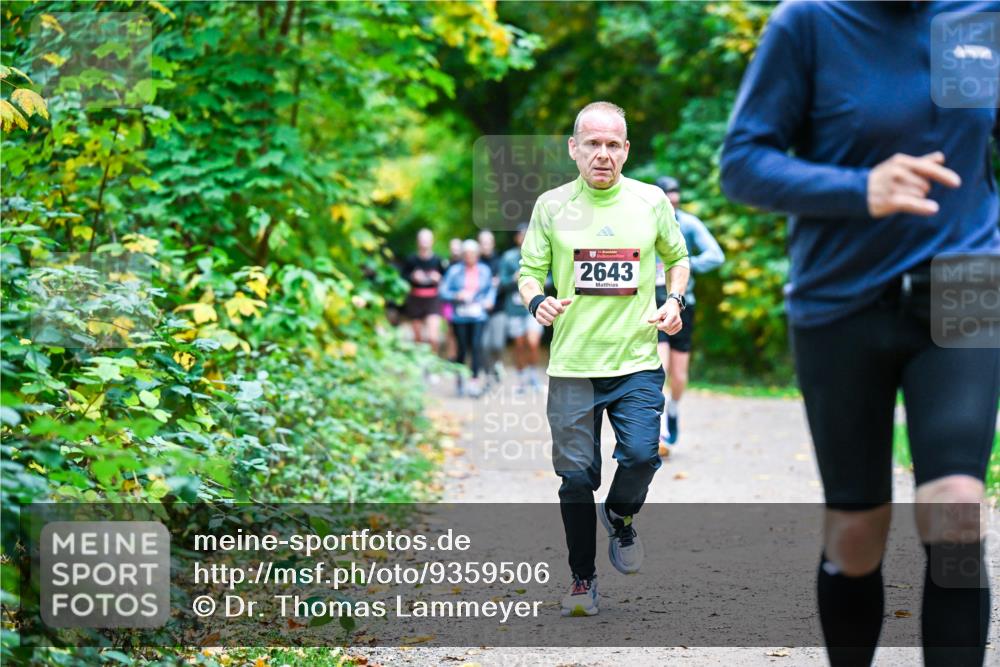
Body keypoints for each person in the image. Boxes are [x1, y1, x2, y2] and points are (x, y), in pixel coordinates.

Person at [720, 2, 1000, 666]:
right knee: (856, 534)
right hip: (840, 296)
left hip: (963, 284)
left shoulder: (977, 19)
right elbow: (743, 162)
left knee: (956, 508)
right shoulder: (809, 23)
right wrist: (859, 187)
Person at [517, 101, 689, 617]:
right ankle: (582, 580)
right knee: (575, 479)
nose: (602, 154)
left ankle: (619, 515)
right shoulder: (550, 206)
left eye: (613, 144)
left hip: (636, 360)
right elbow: (529, 270)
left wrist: (673, 302)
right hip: (572, 366)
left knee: (641, 456)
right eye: (592, 143)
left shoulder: (651, 201)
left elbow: (677, 259)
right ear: (573, 149)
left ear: (626, 150)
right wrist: (536, 300)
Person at [653, 176, 724, 454]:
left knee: (680, 375)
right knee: (660, 366)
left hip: (684, 302)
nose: (672, 202)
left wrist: (682, 264)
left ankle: (673, 410)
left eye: (675, 197)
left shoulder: (690, 224)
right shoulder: (644, 222)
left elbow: (716, 255)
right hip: (653, 303)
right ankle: (657, 430)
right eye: (666, 198)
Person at [440, 239, 495, 397]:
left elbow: (490, 289)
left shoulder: (484, 270)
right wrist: (456, 295)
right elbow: (443, 291)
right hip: (460, 316)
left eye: (472, 254)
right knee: (462, 347)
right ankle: (460, 378)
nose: (469, 256)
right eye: (466, 254)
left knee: (476, 346)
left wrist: (489, 300)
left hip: (478, 315)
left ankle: (474, 381)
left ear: (477, 255)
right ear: (463, 255)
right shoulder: (454, 270)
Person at [499, 223, 544, 393]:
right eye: (522, 236)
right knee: (519, 345)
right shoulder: (508, 257)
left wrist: (533, 283)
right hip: (514, 308)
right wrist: (514, 279)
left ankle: (533, 376)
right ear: (516, 238)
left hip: (534, 307)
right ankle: (521, 379)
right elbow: (502, 283)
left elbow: (550, 279)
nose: (525, 239)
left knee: (532, 343)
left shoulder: (540, 255)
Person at [401, 228, 445, 352]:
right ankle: (420, 364)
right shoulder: (411, 260)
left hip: (433, 299)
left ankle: (433, 362)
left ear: (432, 241)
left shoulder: (439, 260)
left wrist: (438, 279)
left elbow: (447, 279)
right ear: (417, 241)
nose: (424, 242)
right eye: (422, 240)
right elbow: (402, 277)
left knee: (433, 337)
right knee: (417, 337)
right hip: (415, 298)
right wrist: (412, 277)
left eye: (427, 240)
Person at [478, 229, 506, 388]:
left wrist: (499, 283)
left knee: (497, 344)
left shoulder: (501, 260)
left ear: (492, 243)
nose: (485, 246)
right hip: (480, 311)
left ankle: (498, 364)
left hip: (499, 308)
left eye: (488, 242)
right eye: (482, 243)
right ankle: (488, 374)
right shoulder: (476, 262)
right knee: (483, 345)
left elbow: (505, 280)